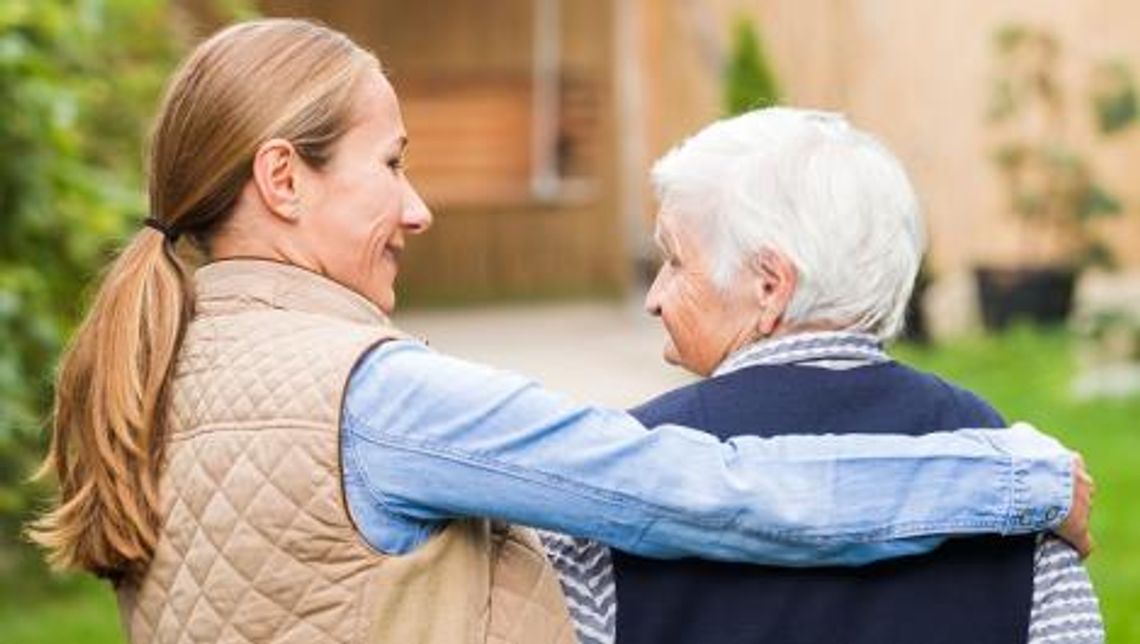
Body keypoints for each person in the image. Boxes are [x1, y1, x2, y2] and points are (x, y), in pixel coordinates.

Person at [29, 20, 1090, 644]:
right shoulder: (373, 395)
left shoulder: (163, 366)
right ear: (282, 178)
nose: (417, 207)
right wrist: (1020, 482)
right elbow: (714, 488)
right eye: (391, 162)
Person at [540, 108, 1104, 644]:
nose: (654, 298)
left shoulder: (619, 475)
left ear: (769, 284)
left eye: (676, 261)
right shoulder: (1010, 466)